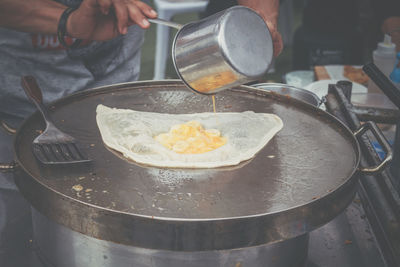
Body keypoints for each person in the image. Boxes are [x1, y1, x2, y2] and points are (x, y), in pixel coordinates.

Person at [0, 0, 281, 265]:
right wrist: (67, 21)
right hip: (23, 92)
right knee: (25, 226)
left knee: (125, 207)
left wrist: (259, 19)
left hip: (115, 73)